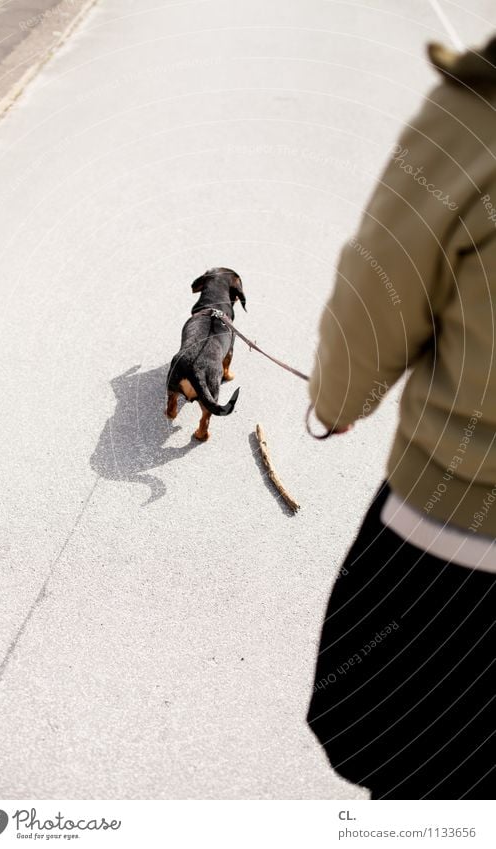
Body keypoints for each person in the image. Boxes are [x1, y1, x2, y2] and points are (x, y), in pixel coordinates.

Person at [306, 36, 496, 800]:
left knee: (417, 771)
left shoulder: (472, 117)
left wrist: (334, 403)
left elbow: (374, 297)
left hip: (455, 541)